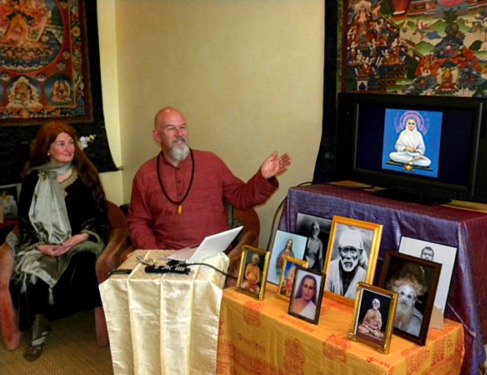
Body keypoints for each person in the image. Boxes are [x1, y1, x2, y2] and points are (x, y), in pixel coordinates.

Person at [0, 122, 107, 361]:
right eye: (61, 144)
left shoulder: (86, 174)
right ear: (47, 149)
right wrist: (42, 246)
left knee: (84, 260)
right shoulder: (32, 179)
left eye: (71, 143)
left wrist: (82, 236)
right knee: (32, 274)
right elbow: (25, 221)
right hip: (42, 243)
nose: (69, 148)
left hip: (81, 241)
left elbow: (98, 214)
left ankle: (57, 311)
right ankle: (40, 326)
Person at [128, 107, 291, 253]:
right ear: (157, 135)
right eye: (171, 129)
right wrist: (155, 254)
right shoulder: (145, 174)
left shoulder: (211, 162)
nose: (179, 134)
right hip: (168, 257)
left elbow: (241, 198)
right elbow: (138, 223)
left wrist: (262, 177)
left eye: (183, 127)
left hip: (213, 256)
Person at [386, 263, 427, 336]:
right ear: (395, 293)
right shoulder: (384, 311)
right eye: (402, 293)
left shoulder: (417, 323)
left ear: (414, 300)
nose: (404, 299)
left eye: (409, 296)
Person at [326, 228, 367, 299]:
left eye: (353, 251)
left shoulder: (364, 276)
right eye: (345, 250)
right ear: (339, 252)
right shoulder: (330, 268)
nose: (348, 256)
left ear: (359, 253)